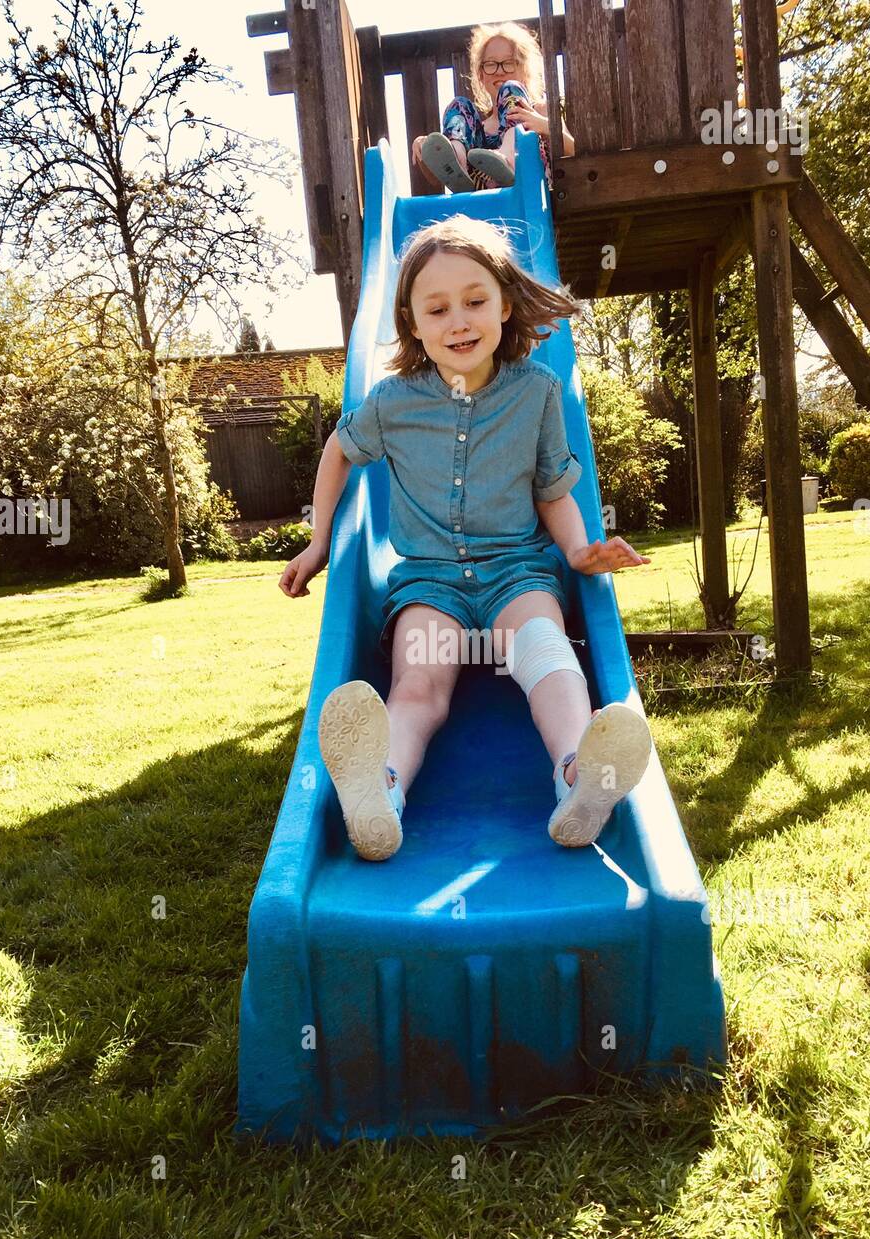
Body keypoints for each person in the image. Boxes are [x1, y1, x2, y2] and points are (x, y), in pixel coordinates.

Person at [279, 214, 653, 862]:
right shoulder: (393, 401)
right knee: (419, 684)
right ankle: (381, 791)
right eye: (437, 308)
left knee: (546, 654)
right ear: (412, 323)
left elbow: (551, 488)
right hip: (431, 582)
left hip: (515, 573)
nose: (458, 321)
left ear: (504, 304)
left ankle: (577, 777)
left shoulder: (537, 391)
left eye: (474, 301)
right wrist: (317, 541)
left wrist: (575, 552)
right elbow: (338, 450)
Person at [411, 21, 575, 195]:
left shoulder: (539, 111)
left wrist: (544, 126)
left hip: (528, 190)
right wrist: (427, 150)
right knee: (459, 105)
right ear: (481, 75)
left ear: (525, 70)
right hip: (480, 196)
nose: (499, 71)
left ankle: (509, 157)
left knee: (511, 89)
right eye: (490, 64)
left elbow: (574, 151)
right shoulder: (474, 131)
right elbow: (435, 178)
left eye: (509, 62)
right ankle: (458, 159)